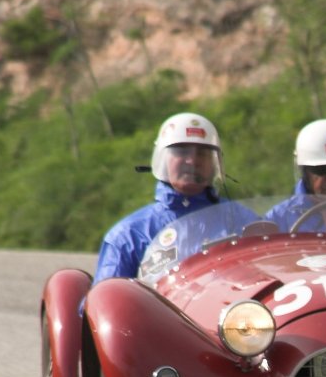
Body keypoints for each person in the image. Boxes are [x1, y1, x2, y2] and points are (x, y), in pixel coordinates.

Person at [92, 112, 228, 284]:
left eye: (202, 154)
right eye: (181, 152)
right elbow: (105, 301)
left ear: (214, 163)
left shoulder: (242, 221)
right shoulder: (129, 235)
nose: (192, 161)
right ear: (163, 160)